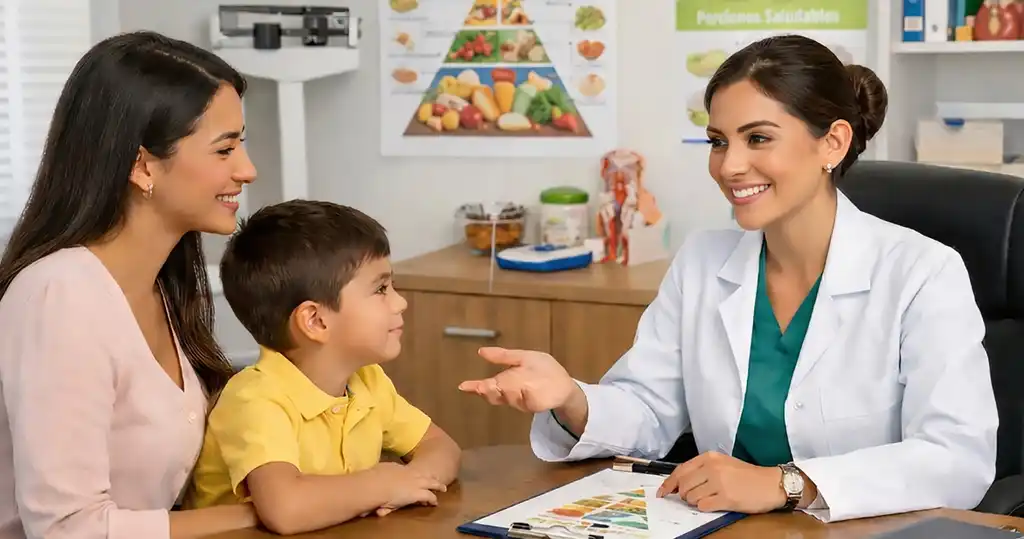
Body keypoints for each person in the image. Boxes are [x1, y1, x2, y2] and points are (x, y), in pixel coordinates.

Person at [459, 34, 999, 523]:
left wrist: (786, 484)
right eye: (718, 141)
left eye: (758, 138)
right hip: (724, 527)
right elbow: (650, 410)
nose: (729, 166)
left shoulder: (922, 272)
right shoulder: (702, 260)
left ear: (833, 143)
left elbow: (957, 457)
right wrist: (571, 398)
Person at [0, 31, 259, 539]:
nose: (247, 170)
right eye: (225, 149)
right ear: (142, 166)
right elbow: (67, 529)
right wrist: (267, 514)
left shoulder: (163, 287)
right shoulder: (60, 296)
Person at [185, 200, 461, 535]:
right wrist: (382, 484)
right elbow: (286, 509)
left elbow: (440, 446)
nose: (400, 302)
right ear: (315, 321)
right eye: (381, 289)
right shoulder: (256, 400)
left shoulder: (367, 381)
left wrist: (413, 480)